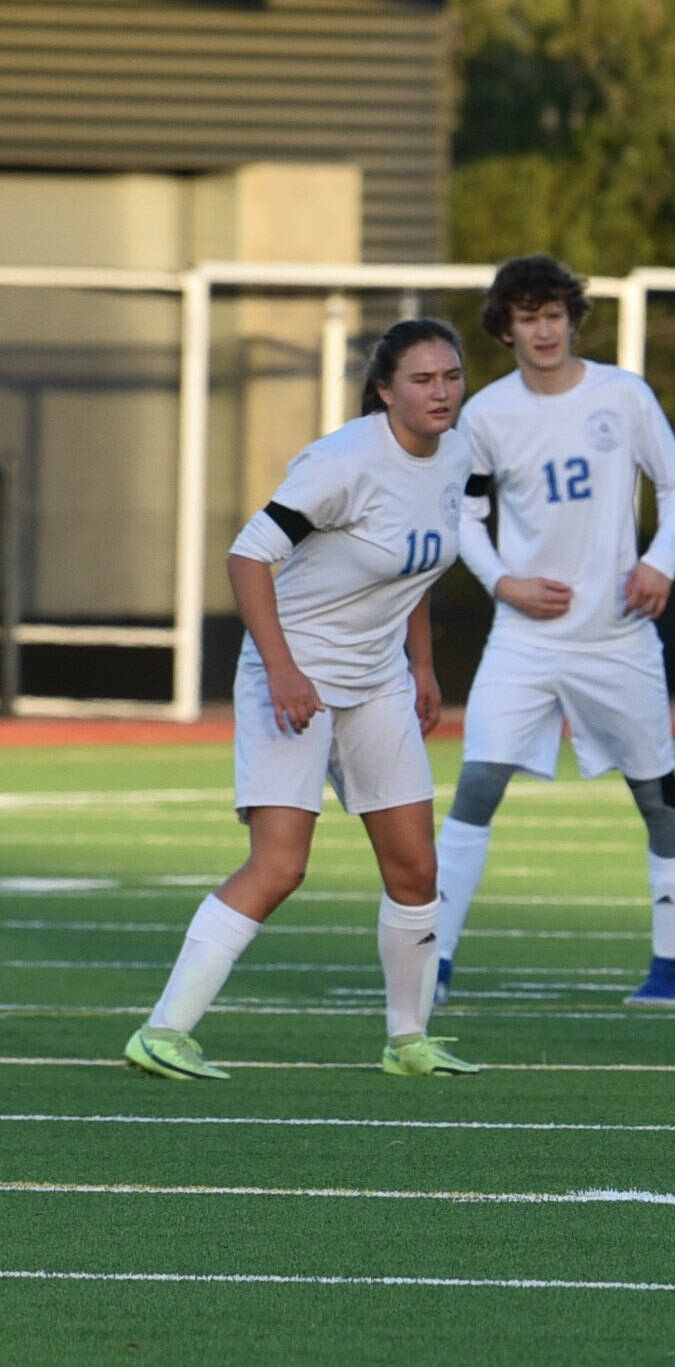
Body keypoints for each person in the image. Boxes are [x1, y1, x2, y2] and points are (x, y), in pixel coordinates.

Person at [123, 318, 479, 1080]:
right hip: (295, 674)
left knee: (417, 867)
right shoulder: (344, 459)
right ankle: (162, 1032)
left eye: (451, 375)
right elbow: (248, 554)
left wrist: (422, 665)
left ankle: (407, 1041)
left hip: (377, 679)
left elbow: (413, 568)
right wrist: (283, 669)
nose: (442, 391)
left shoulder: (460, 452)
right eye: (423, 379)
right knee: (280, 865)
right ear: (386, 389)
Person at [433, 254, 675, 1006]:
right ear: (505, 327)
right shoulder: (485, 414)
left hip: (618, 635)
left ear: (573, 319)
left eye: (554, 315)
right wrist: (503, 582)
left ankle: (672, 967)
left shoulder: (626, 395)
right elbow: (465, 512)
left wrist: (659, 563)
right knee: (477, 785)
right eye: (527, 317)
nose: (543, 330)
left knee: (657, 795)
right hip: (524, 638)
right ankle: (434, 959)